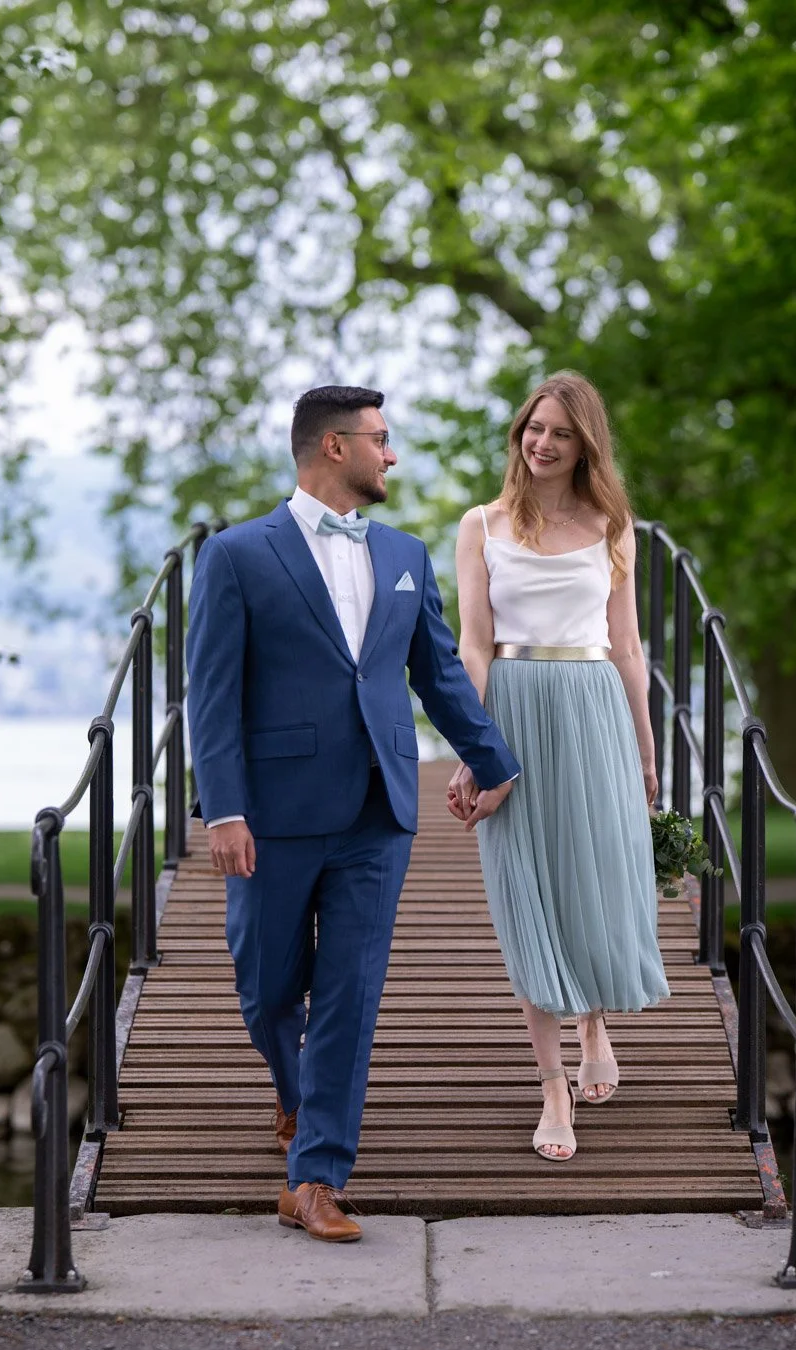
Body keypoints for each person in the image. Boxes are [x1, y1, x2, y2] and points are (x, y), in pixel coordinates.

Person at [186, 385, 520, 1241]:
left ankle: (317, 1178)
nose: (392, 454)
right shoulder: (235, 555)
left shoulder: (407, 554)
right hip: (271, 810)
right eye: (380, 439)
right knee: (266, 990)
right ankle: (292, 1091)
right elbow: (212, 695)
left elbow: (439, 673)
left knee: (351, 993)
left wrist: (494, 761)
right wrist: (222, 810)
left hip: (380, 808)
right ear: (334, 448)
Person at [447, 371, 669, 1161]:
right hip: (512, 704)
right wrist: (472, 745)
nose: (542, 443)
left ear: (585, 444)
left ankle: (595, 1025)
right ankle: (551, 1087)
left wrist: (646, 751)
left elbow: (630, 646)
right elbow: (472, 643)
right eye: (533, 429)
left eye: (560, 433)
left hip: (592, 704)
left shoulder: (614, 524)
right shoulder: (481, 524)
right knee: (524, 892)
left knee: (592, 874)